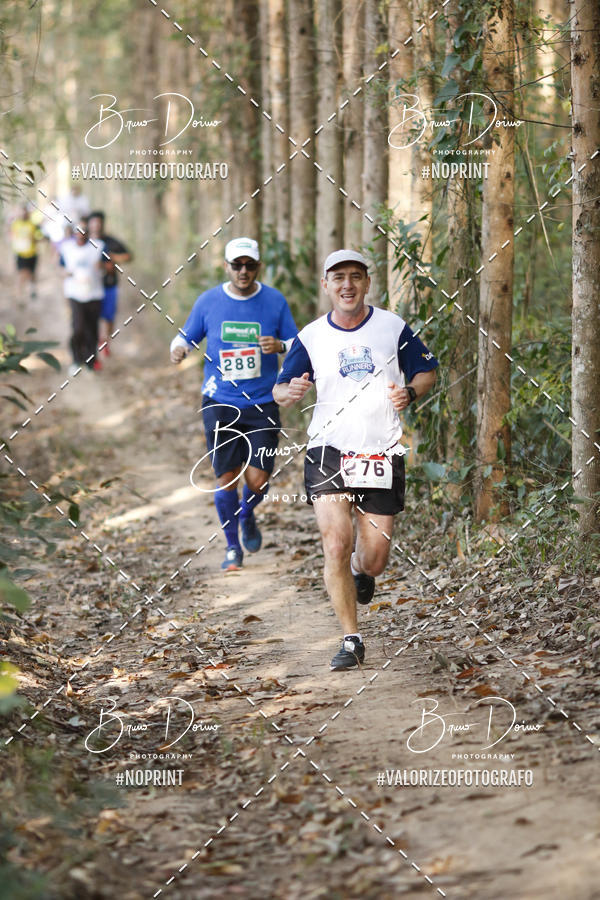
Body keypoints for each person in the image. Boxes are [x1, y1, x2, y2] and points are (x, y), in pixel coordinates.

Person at [273, 249, 438, 671]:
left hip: (380, 451)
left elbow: (426, 371)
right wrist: (288, 394)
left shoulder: (392, 327)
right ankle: (351, 639)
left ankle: (362, 573)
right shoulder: (310, 336)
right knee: (335, 543)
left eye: (355, 276)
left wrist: (411, 392)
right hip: (328, 450)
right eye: (338, 277)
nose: (347, 284)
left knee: (375, 557)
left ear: (367, 284)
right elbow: (280, 387)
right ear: (326, 285)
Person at [170, 237, 298, 571]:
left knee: (257, 480)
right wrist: (179, 348)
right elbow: (186, 335)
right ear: (226, 266)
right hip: (220, 401)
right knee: (225, 477)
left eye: (250, 265)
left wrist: (279, 345)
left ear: (258, 267)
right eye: (237, 265)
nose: (243, 272)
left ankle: (247, 515)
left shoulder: (274, 301)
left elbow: (297, 342)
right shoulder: (209, 301)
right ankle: (231, 548)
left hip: (262, 402)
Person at [61, 220, 105, 375]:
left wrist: (102, 267)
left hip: (94, 294)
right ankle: (76, 360)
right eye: (77, 231)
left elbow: (109, 265)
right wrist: (67, 273)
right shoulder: (67, 248)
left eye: (83, 231)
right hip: (75, 294)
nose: (80, 234)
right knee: (77, 328)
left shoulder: (98, 247)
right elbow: (61, 267)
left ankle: (91, 362)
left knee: (92, 330)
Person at [87, 211, 132, 356]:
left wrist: (112, 258)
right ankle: (93, 345)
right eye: (93, 222)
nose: (96, 226)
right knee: (91, 318)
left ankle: (105, 342)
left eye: (99, 222)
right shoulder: (84, 241)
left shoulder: (111, 242)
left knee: (108, 317)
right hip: (89, 287)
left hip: (109, 285)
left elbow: (128, 256)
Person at [10, 205, 43, 299]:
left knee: (32, 274)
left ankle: (33, 289)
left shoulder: (33, 224)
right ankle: (19, 294)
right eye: (22, 212)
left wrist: (34, 238)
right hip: (20, 254)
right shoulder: (15, 224)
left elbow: (39, 236)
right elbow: (12, 236)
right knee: (21, 274)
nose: (23, 214)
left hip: (32, 253)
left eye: (25, 212)